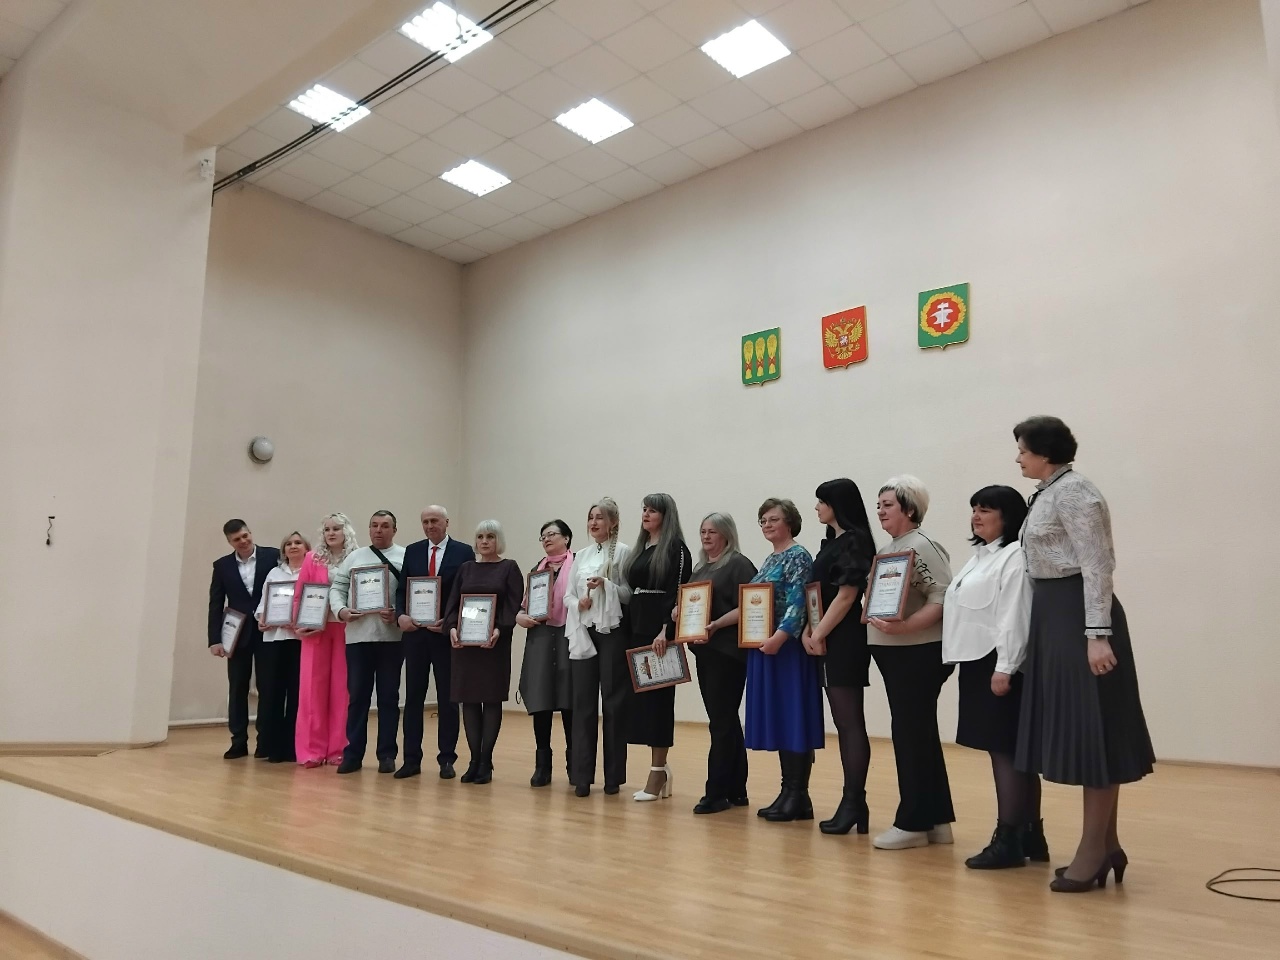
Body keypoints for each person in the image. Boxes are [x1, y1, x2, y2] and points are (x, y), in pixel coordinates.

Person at [1012, 416, 1155, 893]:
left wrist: (1097, 634)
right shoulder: (1050, 491)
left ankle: (1093, 850)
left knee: (1097, 731)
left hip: (1080, 618)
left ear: (1044, 453)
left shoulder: (1075, 493)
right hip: (1056, 616)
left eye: (1023, 450)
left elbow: (1097, 565)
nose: (1018, 458)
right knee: (1087, 729)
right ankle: (1106, 844)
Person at [943, 486, 1049, 868]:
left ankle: (1008, 839)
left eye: (986, 510)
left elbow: (1014, 615)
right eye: (974, 508)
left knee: (1007, 751)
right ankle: (1030, 836)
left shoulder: (1015, 556)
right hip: (977, 661)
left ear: (1008, 516)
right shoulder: (981, 557)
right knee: (1009, 751)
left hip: (998, 663)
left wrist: (1005, 666)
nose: (976, 516)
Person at [867, 476, 956, 850]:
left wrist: (904, 628)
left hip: (917, 653)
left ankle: (913, 822)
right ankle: (936, 822)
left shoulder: (922, 545)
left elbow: (943, 595)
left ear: (909, 508)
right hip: (897, 654)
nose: (880, 511)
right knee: (918, 734)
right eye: (879, 505)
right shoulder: (893, 547)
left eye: (887, 504)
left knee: (910, 735)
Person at [803, 480, 875, 835]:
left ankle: (854, 800)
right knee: (843, 722)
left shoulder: (855, 540)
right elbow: (817, 595)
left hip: (843, 638)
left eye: (822, 501)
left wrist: (818, 633)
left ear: (837, 504)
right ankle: (853, 803)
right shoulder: (831, 542)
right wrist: (809, 629)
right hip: (826, 633)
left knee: (849, 723)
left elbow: (847, 595)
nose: (817, 507)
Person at [744, 498, 822, 823]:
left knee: (793, 719)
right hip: (766, 647)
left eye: (773, 519)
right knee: (780, 719)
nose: (767, 525)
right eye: (762, 520)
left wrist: (779, 637)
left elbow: (797, 600)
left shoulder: (798, 555)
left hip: (786, 649)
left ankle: (798, 793)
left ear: (789, 522)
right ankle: (789, 793)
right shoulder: (770, 558)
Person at [682, 513, 756, 815]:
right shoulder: (701, 568)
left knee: (721, 722)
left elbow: (752, 603)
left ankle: (716, 793)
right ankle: (737, 789)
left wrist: (716, 624)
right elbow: (690, 604)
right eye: (703, 531)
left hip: (728, 653)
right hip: (705, 652)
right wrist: (678, 612)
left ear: (726, 534)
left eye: (712, 531)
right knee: (725, 720)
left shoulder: (738, 564)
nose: (706, 536)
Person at [395, 505, 475, 780]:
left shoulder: (463, 552)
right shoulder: (413, 551)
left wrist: (451, 622)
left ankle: (447, 759)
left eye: (435, 521)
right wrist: (400, 615)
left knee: (448, 700)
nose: (430, 526)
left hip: (444, 635)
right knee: (413, 698)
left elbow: (466, 592)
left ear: (446, 522)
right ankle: (411, 759)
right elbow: (402, 590)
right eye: (425, 522)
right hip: (415, 636)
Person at [622, 494, 692, 802]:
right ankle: (659, 769)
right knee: (641, 703)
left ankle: (658, 771)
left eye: (653, 510)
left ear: (666, 515)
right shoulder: (641, 548)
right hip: (635, 628)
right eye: (644, 509)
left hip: (658, 632)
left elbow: (679, 592)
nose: (646, 514)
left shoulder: (676, 549)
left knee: (659, 703)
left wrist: (666, 629)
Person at [444, 520, 524, 784]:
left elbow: (512, 606)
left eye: (490, 536)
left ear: (498, 540)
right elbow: (453, 604)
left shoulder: (509, 567)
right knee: (468, 701)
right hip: (465, 647)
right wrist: (452, 628)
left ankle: (486, 762)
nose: (485, 541)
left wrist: (499, 629)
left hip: (493, 645)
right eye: (480, 536)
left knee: (490, 701)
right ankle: (473, 761)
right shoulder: (466, 568)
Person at [563, 498, 632, 797]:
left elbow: (629, 594)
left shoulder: (625, 552)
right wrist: (578, 603)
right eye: (591, 517)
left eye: (600, 517)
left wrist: (607, 584)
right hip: (584, 632)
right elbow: (567, 596)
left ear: (613, 522)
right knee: (583, 703)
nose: (594, 522)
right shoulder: (581, 555)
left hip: (613, 632)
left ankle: (613, 777)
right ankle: (581, 776)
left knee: (614, 703)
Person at [329, 511, 405, 775]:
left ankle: (387, 755)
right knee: (358, 698)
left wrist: (398, 613)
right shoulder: (355, 557)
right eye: (374, 525)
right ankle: (353, 754)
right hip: (358, 638)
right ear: (369, 529)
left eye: (385, 526)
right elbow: (337, 588)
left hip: (391, 639)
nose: (378, 530)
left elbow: (410, 592)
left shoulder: (405, 556)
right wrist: (341, 611)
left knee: (388, 698)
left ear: (394, 530)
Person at [207, 520, 280, 760]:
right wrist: (215, 639)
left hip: (267, 630)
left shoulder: (273, 556)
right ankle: (238, 741)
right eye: (237, 539)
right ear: (230, 542)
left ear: (251, 533)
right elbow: (216, 604)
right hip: (236, 635)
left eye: (245, 535)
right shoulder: (222, 566)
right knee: (237, 687)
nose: (243, 541)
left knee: (268, 687)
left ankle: (265, 742)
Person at [515, 520, 575, 787]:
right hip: (540, 637)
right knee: (541, 700)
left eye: (552, 534)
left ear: (567, 538)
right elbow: (524, 606)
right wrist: (519, 617)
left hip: (569, 636)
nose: (547, 539)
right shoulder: (536, 569)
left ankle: (575, 764)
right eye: (543, 536)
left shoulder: (578, 565)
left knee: (570, 701)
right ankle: (542, 766)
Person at [293, 513, 355, 768]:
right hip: (316, 630)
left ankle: (339, 749)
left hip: (345, 629)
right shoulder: (312, 558)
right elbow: (299, 594)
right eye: (327, 529)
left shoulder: (356, 557)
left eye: (336, 528)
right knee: (312, 689)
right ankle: (311, 750)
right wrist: (299, 624)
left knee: (342, 690)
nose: (331, 533)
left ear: (346, 531)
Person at [254, 532, 307, 764]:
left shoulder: (310, 572)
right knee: (273, 693)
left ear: (307, 548)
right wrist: (261, 618)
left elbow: (316, 602)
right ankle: (272, 746)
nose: (293, 546)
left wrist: (300, 620)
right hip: (274, 639)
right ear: (283, 550)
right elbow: (263, 604)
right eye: (288, 543)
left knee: (296, 693)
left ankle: (292, 746)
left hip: (300, 640)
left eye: (298, 543)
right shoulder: (274, 573)